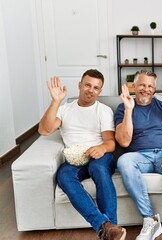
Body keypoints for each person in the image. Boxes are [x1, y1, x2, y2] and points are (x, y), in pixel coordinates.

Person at [38, 69, 126, 240]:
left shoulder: (103, 110)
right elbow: (44, 130)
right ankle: (106, 227)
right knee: (63, 175)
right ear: (79, 85)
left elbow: (110, 143)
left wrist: (101, 148)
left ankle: (110, 227)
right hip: (75, 159)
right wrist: (55, 101)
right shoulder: (64, 109)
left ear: (99, 91)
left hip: (100, 157)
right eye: (87, 85)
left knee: (99, 168)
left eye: (96, 88)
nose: (90, 90)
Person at [114, 69, 162, 240]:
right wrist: (128, 110)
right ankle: (150, 219)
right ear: (133, 86)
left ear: (155, 89)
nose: (146, 89)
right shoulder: (122, 108)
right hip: (139, 156)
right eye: (142, 84)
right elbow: (124, 142)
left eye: (150, 86)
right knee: (124, 161)